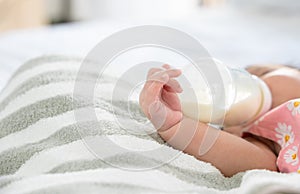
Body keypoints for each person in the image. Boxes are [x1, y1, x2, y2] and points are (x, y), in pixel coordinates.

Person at [139, 63, 300, 177]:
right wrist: (174, 125)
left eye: (262, 75)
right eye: (223, 122)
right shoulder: (267, 146)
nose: (247, 89)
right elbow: (256, 164)